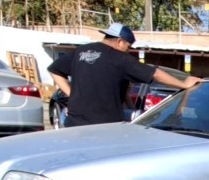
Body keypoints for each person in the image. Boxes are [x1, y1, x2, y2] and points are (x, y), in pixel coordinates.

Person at [47, 22, 200, 127]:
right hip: (104, 127)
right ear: (120, 41)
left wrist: (71, 94)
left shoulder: (81, 51)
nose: (129, 50)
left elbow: (54, 70)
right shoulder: (119, 58)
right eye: (128, 46)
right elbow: (155, 73)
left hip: (73, 123)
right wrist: (183, 84)